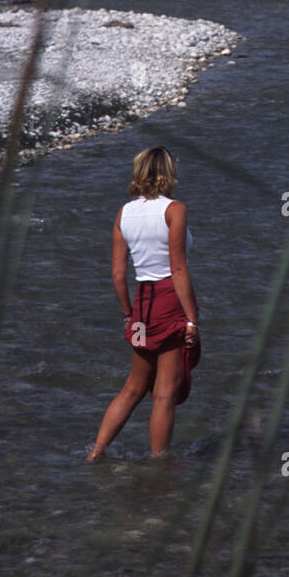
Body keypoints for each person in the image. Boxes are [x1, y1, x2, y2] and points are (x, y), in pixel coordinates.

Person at [86, 145, 199, 461]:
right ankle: (159, 465)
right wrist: (192, 318)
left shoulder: (125, 212)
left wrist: (128, 314)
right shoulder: (174, 210)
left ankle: (96, 451)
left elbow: (118, 274)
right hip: (169, 300)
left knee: (133, 388)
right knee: (164, 394)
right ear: (168, 173)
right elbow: (178, 268)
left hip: (141, 304)